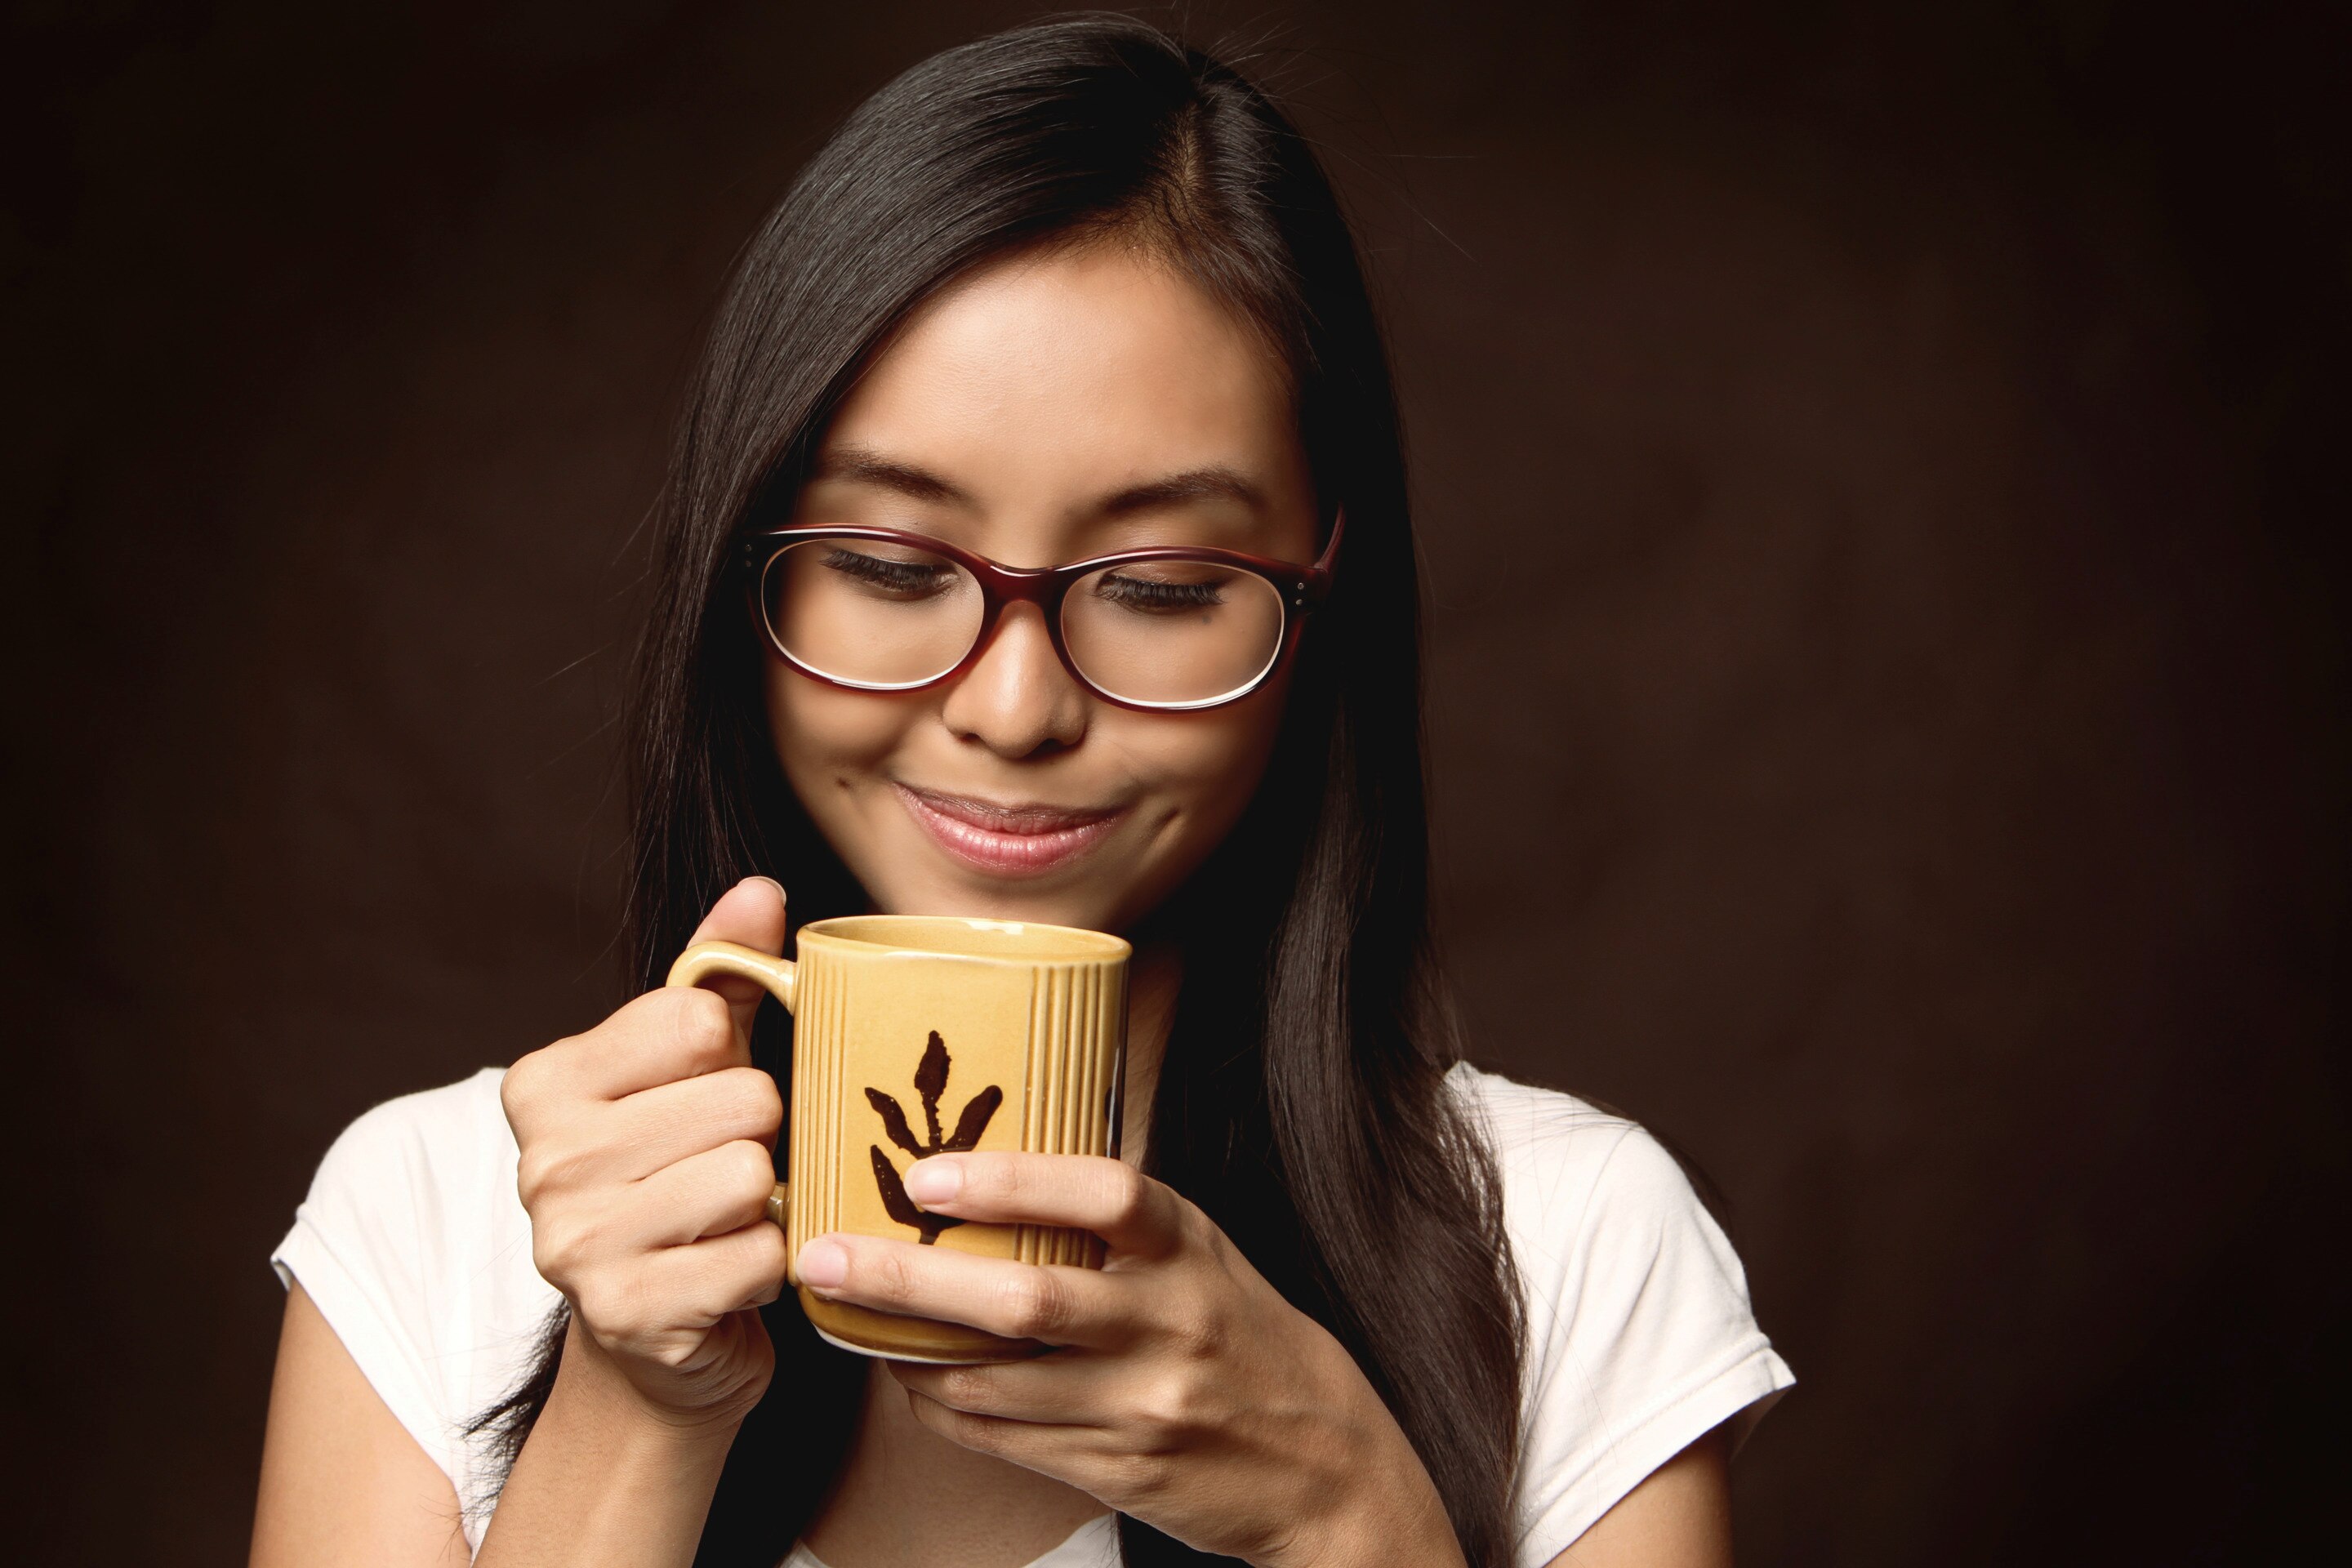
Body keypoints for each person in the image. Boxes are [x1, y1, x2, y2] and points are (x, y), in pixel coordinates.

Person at [247, 16, 1792, 1568]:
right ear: (741, 571)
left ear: (1322, 589)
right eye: (889, 567)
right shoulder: (449, 1218)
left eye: (1167, 586)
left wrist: (1345, 1512)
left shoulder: (1567, 1244)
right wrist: (636, 1407)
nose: (1014, 706)